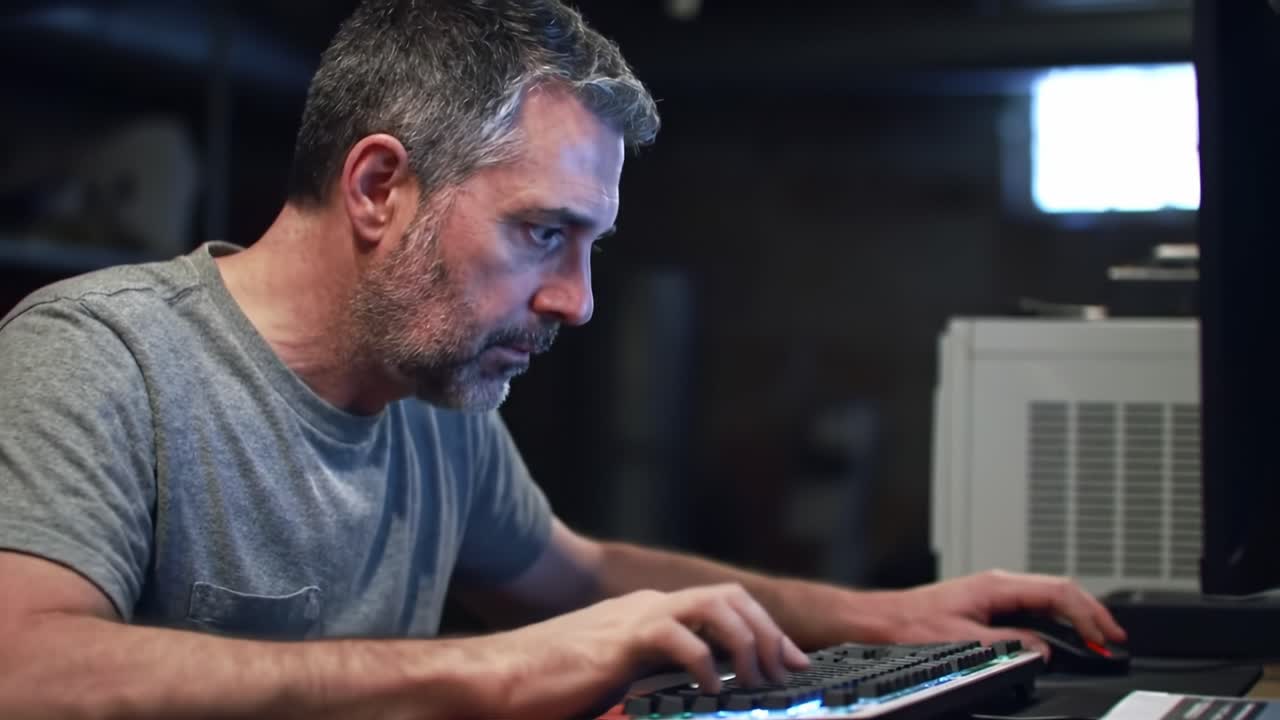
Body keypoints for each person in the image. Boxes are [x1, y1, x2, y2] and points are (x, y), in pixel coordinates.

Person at [0, 1, 1125, 718]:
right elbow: (24, 670)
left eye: (590, 249)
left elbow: (582, 577)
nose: (575, 302)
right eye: (542, 233)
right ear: (379, 189)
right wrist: (490, 670)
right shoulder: (105, 360)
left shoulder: (432, 399)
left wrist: (889, 619)